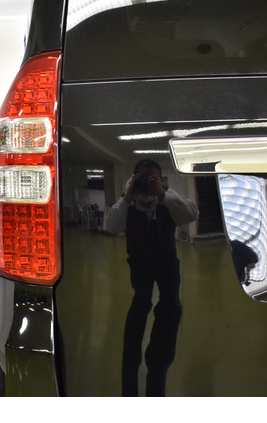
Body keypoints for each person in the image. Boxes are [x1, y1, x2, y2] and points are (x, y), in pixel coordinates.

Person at [105, 159, 198, 396]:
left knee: (171, 306)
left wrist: (163, 195)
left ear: (160, 179)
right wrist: (127, 197)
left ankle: (159, 360)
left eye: (152, 178)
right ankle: (131, 360)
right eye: (142, 178)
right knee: (141, 303)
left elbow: (191, 214)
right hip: (140, 264)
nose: (147, 184)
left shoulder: (167, 196)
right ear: (134, 178)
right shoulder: (127, 201)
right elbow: (112, 227)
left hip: (167, 263)